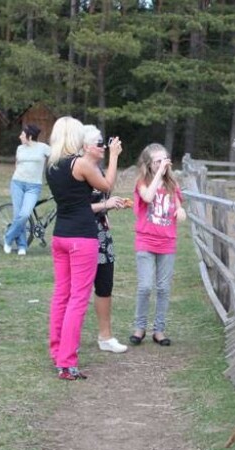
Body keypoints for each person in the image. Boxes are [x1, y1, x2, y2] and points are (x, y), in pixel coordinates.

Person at [45, 116, 119, 380]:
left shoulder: (51, 165)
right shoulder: (81, 164)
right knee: (78, 299)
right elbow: (107, 186)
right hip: (82, 238)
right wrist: (114, 157)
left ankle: (57, 352)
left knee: (61, 296)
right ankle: (67, 362)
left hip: (60, 237)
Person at [129, 143, 186, 347]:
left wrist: (180, 212)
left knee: (163, 288)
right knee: (145, 286)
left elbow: (179, 207)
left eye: (165, 160)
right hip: (145, 240)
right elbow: (148, 197)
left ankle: (159, 330)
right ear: (149, 164)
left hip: (167, 243)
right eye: (158, 161)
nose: (163, 164)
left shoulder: (173, 185)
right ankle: (139, 327)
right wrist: (158, 176)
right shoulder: (142, 182)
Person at [82, 125, 128, 354]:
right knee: (78, 289)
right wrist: (104, 206)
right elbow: (77, 208)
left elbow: (105, 190)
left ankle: (105, 336)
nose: (103, 146)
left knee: (104, 285)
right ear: (84, 147)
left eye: (103, 143)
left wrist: (105, 211)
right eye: (98, 143)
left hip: (101, 234)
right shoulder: (79, 170)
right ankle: (70, 337)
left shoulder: (97, 168)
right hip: (82, 234)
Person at [4, 124, 51, 255]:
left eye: (22, 135)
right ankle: (22, 246)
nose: (20, 137)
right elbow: (17, 164)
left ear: (29, 136)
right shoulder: (20, 148)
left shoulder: (43, 148)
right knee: (18, 215)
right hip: (17, 183)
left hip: (33, 186)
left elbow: (55, 157)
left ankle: (8, 238)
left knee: (24, 214)